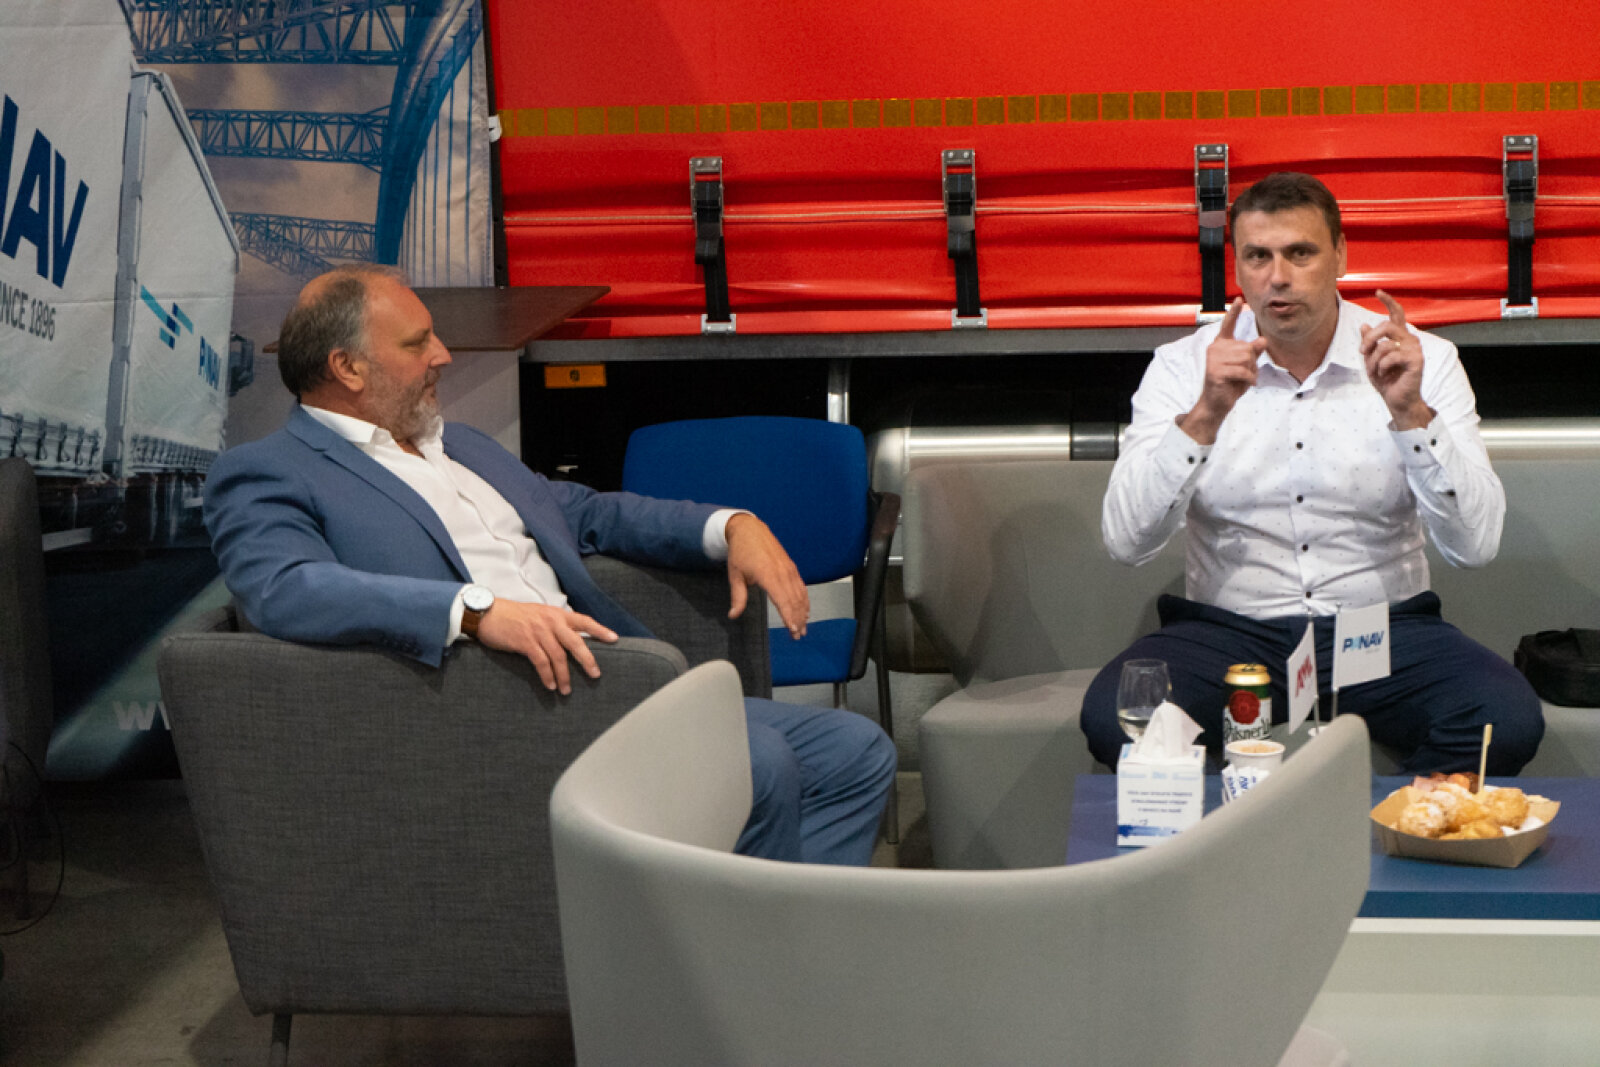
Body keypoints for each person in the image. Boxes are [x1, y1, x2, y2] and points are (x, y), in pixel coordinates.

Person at [204, 264, 895, 865]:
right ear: (347, 367)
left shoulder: (461, 445)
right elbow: (283, 588)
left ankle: (787, 942)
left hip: (610, 676)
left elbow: (587, 512)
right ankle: (740, 959)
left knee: (854, 751)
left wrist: (730, 525)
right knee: (756, 765)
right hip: (498, 707)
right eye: (417, 344)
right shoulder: (270, 471)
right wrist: (472, 613)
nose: (443, 355)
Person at [1082, 172, 1543, 775]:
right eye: (1258, 256)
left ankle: (1391, 826)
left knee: (1505, 720)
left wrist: (1410, 413)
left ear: (1340, 256)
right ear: (1237, 265)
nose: (1278, 276)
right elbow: (1126, 543)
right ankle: (1234, 831)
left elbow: (1475, 547)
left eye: (1300, 253)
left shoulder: (1422, 359)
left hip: (1379, 633)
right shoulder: (1182, 367)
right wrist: (1204, 416)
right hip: (1232, 634)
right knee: (1114, 721)